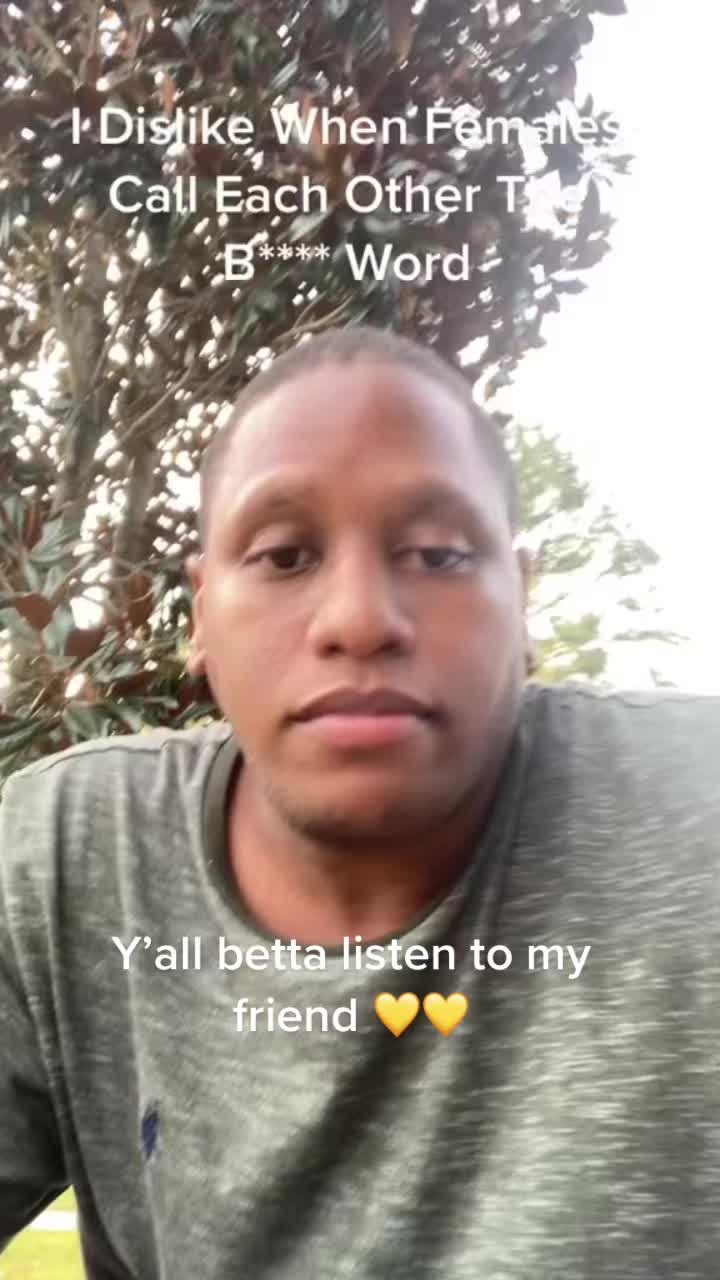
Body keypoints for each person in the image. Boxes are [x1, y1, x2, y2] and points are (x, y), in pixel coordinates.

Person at [1, 325, 718, 1279]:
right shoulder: (65, 863)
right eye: (285, 555)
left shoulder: (699, 814)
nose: (360, 619)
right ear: (203, 613)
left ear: (522, 599)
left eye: (438, 553)